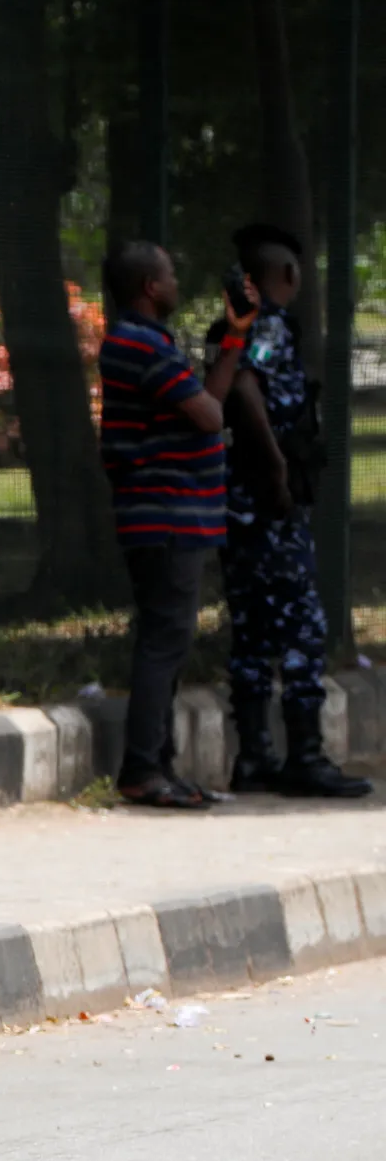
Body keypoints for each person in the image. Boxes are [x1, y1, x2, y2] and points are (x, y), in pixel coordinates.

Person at [206, 223, 370, 797]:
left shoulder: (235, 325)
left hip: (240, 504)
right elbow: (245, 385)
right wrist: (275, 463)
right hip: (269, 504)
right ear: (288, 275)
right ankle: (303, 755)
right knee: (302, 628)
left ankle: (254, 757)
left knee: (251, 634)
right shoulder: (269, 324)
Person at [97, 240, 253, 808]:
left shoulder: (148, 341)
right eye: (169, 273)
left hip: (170, 519)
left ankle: (159, 766)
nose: (177, 280)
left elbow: (203, 404)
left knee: (168, 642)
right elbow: (210, 414)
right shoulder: (140, 343)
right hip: (164, 519)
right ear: (150, 287)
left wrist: (232, 337)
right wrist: (231, 344)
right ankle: (143, 768)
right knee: (164, 644)